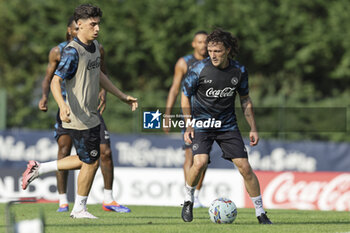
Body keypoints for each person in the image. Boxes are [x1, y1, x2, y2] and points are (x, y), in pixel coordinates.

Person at [22, 4, 138, 219]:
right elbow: (56, 81)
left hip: (91, 114)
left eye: (98, 24)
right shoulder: (72, 52)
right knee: (91, 161)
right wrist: (63, 105)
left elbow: (99, 76)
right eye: (93, 24)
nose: (97, 29)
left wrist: (121, 96)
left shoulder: (94, 47)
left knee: (87, 159)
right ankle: (79, 209)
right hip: (78, 116)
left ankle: (39, 169)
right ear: (79, 25)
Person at [180, 28, 272, 224]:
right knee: (200, 162)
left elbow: (245, 100)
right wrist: (189, 125)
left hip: (227, 125)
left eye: (217, 51)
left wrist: (253, 127)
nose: (212, 55)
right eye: (210, 50)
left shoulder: (239, 71)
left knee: (245, 167)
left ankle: (260, 212)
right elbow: (185, 97)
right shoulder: (197, 69)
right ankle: (188, 199)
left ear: (228, 50)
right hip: (202, 124)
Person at [163, 31, 208, 208]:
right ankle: (189, 195)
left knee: (204, 158)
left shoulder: (213, 62)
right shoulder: (184, 63)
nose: (203, 45)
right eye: (200, 42)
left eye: (206, 42)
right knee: (190, 154)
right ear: (193, 44)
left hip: (208, 116)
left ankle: (196, 196)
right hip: (189, 115)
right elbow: (174, 89)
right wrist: (167, 115)